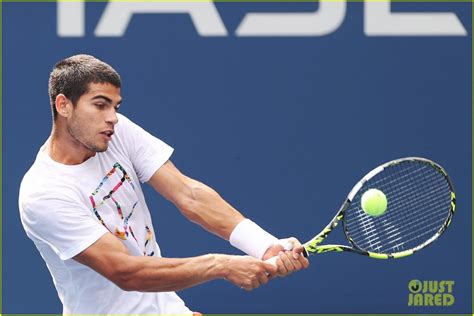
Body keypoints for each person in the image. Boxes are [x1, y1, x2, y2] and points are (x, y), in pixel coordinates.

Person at [18, 54, 309, 315]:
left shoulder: (115, 133)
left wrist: (264, 245)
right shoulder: (43, 194)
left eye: (115, 106)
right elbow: (125, 272)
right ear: (63, 105)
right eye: (100, 105)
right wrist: (221, 265)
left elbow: (189, 194)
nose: (112, 117)